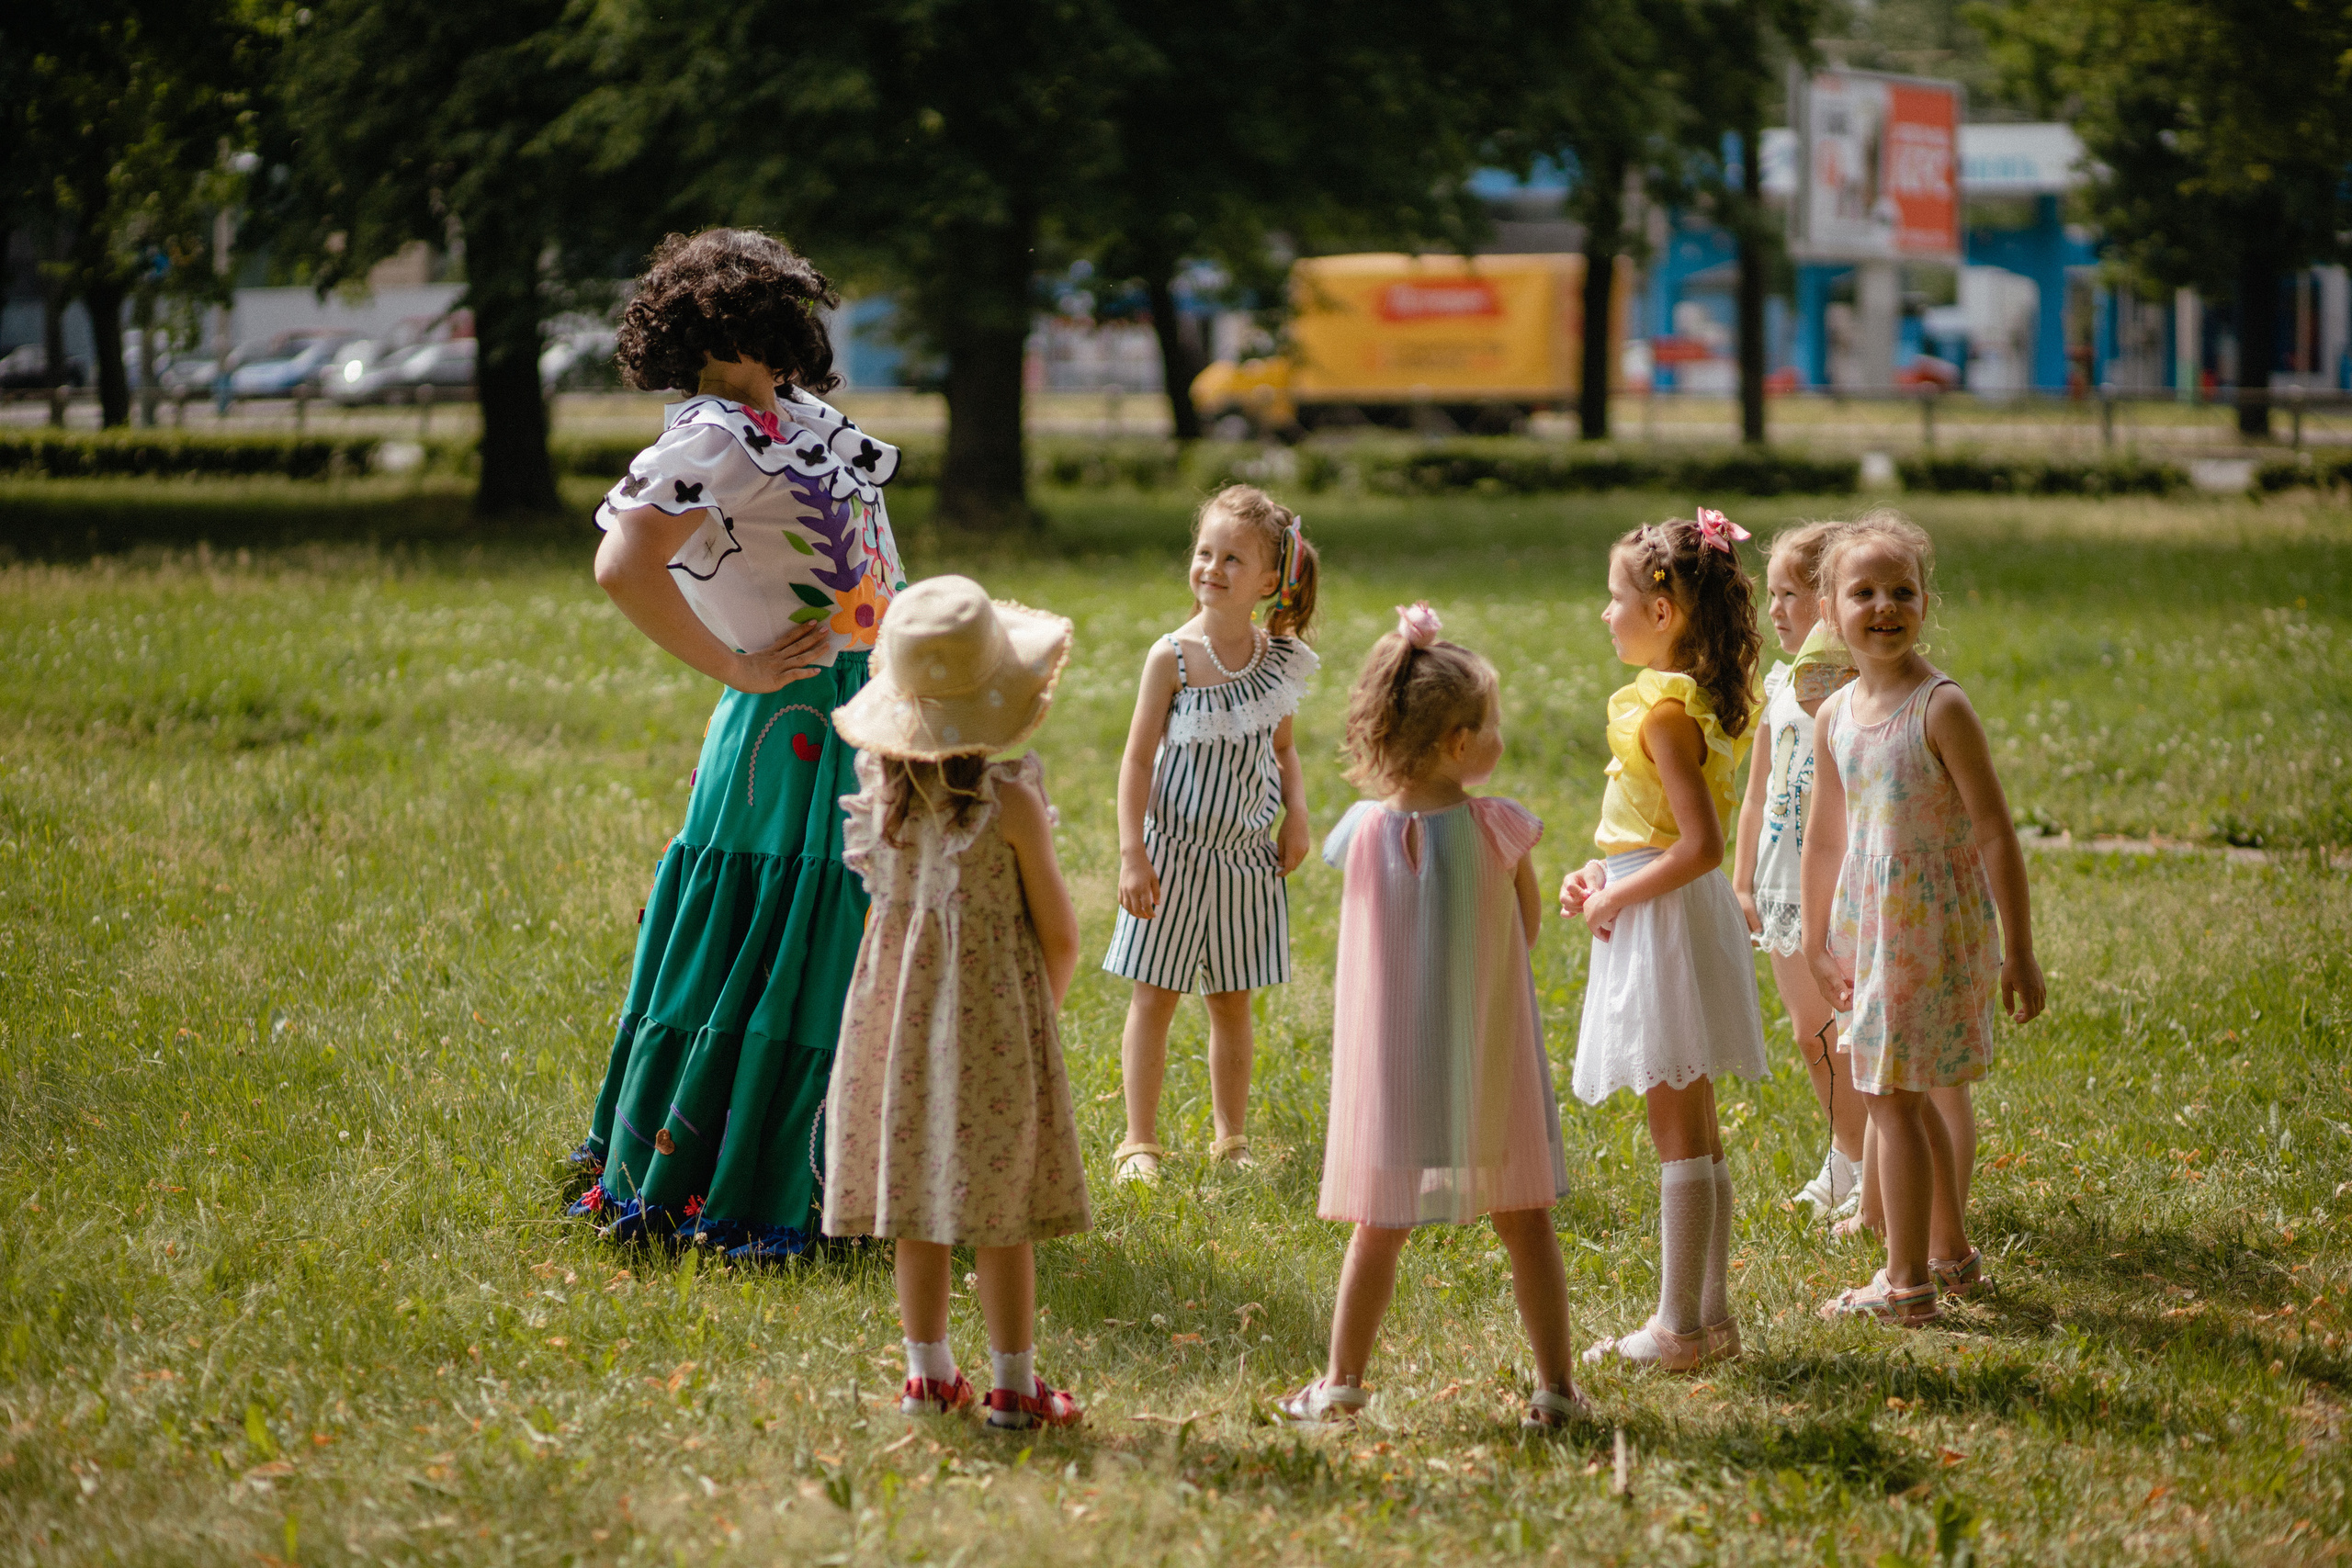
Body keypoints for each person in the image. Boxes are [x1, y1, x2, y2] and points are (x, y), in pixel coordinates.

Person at [564, 229, 910, 1264]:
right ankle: (761, 1190)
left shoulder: (791, 419)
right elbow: (623, 563)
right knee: (795, 935)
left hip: (864, 701)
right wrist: (737, 670)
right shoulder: (714, 435)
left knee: (847, 934)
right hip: (795, 722)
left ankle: (850, 1177)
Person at [1278, 603, 1586, 1428]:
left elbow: (1364, 951)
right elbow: (1522, 929)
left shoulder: (1362, 832)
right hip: (1489, 1057)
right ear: (1458, 743)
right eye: (1489, 722)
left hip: (1399, 1066)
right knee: (1526, 1220)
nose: (1498, 736)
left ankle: (1342, 1382)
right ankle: (1556, 1388)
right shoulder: (1499, 828)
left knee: (1380, 1223)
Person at [822, 576, 1089, 1429]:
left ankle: (927, 1375)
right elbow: (1061, 933)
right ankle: (1015, 1386)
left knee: (917, 1200)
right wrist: (1035, 1015)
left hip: (899, 1026)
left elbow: (888, 922)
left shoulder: (882, 796)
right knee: (1002, 1210)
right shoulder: (1011, 803)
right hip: (999, 1029)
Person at [1804, 514, 2044, 1325]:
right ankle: (1951, 1253)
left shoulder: (1940, 707)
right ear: (1831, 611)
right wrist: (1814, 936)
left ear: (1925, 603)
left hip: (1930, 931)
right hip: (1871, 933)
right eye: (1862, 592)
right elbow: (1827, 833)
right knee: (1903, 1094)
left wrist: (2021, 951)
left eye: (1901, 590)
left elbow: (1994, 830)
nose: (1883, 606)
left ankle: (1905, 1283)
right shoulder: (1834, 715)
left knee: (1891, 1099)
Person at [1561, 510, 1770, 1372]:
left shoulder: (1663, 711)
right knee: (1699, 1123)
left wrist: (1612, 894)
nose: (1603, 613)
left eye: (1615, 598)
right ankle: (1710, 1317)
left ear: (1662, 613)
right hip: (1678, 908)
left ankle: (1678, 1324)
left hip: (1667, 916)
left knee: (1676, 1127)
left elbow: (1698, 846)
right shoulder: (1693, 698)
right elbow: (1651, 833)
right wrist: (1597, 871)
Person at [1102, 485, 1318, 1183]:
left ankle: (1232, 1138)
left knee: (1232, 1001)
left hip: (1244, 861)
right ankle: (1139, 1141)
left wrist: (1299, 815)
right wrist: (1133, 854)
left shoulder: (1277, 658)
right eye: (1204, 552)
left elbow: (1284, 750)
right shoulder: (1172, 657)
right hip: (1170, 856)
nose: (1212, 568)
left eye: (1233, 558)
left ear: (1268, 579)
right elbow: (1136, 759)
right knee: (1154, 996)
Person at [1731, 522, 1866, 1221]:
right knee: (1807, 1034)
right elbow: (1757, 794)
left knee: (1852, 1032)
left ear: (1830, 600)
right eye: (1771, 594)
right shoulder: (1781, 686)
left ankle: (1877, 1164)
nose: (1774, 609)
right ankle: (1847, 1155)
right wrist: (1743, 880)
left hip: (1837, 892)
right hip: (1782, 890)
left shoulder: (1855, 692)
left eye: (1790, 594)